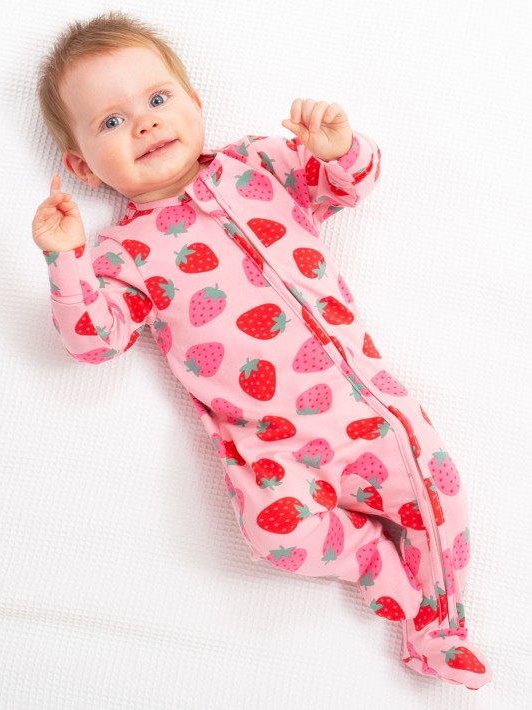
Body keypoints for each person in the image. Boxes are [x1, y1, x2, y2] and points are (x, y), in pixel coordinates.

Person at [32, 11, 492, 689]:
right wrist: (65, 257)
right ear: (81, 167)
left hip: (363, 409)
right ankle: (369, 558)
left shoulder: (258, 164)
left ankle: (438, 627)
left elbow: (348, 184)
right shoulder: (122, 254)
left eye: (157, 99)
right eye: (112, 121)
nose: (145, 125)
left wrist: (338, 148)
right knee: (276, 537)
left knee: (435, 489)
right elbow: (95, 341)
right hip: (268, 444)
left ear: (195, 104)